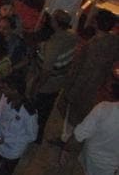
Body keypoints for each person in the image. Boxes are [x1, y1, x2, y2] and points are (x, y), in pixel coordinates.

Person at [59, 10, 119, 145]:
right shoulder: (114, 41)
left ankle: (67, 140)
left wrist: (71, 88)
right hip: (98, 85)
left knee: (73, 114)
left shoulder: (93, 45)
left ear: (97, 23)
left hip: (84, 85)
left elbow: (82, 70)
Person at [30, 9, 77, 144]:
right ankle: (38, 135)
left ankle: (33, 135)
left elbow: (46, 71)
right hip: (58, 82)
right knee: (46, 111)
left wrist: (36, 87)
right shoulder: (71, 36)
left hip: (47, 84)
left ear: (56, 23)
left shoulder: (53, 44)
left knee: (36, 111)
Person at [60, 82, 119, 175]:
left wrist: (66, 149)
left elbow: (79, 134)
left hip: (90, 158)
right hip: (110, 168)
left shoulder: (104, 108)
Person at [0, 75, 38, 175]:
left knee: (5, 171)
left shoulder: (28, 112)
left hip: (13, 149)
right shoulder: (5, 98)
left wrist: (6, 140)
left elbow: (32, 136)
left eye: (5, 88)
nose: (2, 90)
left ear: (15, 91)